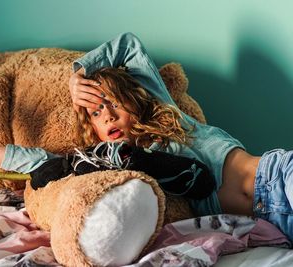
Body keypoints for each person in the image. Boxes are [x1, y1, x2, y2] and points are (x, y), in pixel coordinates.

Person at [68, 32, 293, 242]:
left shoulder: (169, 119)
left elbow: (129, 45)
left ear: (134, 102)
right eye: (96, 112)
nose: (108, 116)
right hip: (271, 222)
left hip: (278, 177)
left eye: (115, 103)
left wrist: (78, 76)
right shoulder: (122, 170)